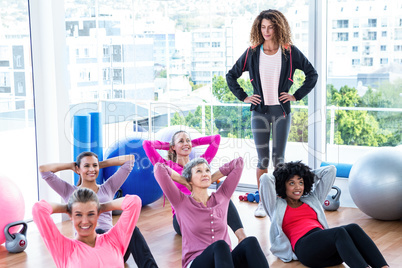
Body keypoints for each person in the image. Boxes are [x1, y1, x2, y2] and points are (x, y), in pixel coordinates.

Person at [226, 9, 318, 218]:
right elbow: (231, 75)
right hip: (259, 112)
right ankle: (263, 202)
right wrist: (244, 96)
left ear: (278, 27)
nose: (266, 31)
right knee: (262, 160)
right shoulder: (252, 52)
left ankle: (281, 201)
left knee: (279, 159)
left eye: (270, 27)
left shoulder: (289, 52)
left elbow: (312, 74)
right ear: (259, 29)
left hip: (281, 112)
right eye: (263, 27)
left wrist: (296, 95)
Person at [39, 152, 158, 268]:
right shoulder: (68, 191)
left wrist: (99, 207)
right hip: (86, 250)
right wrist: (71, 166)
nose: (91, 169)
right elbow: (44, 170)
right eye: (86, 166)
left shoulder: (108, 187)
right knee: (99, 231)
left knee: (133, 230)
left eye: (94, 166)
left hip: (114, 245)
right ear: (77, 169)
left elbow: (129, 160)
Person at [259, 161, 389, 267]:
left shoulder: (313, 199)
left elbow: (330, 170)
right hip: (305, 249)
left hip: (328, 249)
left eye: (301, 182)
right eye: (291, 183)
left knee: (353, 228)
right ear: (282, 185)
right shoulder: (275, 205)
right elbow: (265, 179)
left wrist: (306, 175)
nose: (298, 187)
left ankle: (384, 267)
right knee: (339, 232)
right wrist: (283, 175)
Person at [154, 157, 269, 268]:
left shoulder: (222, 196)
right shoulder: (181, 202)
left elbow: (238, 163)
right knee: (220, 245)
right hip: (197, 261)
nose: (204, 173)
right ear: (190, 179)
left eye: (207, 170)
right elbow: (159, 168)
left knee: (250, 242)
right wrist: (184, 181)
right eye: (199, 171)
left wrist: (211, 178)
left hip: (224, 261)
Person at [143, 131, 246, 242]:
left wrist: (189, 144)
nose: (186, 143)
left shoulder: (199, 164)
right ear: (173, 147)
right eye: (181, 141)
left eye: (188, 140)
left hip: (202, 207)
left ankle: (242, 237)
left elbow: (216, 139)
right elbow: (147, 144)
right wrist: (170, 145)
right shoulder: (167, 166)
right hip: (183, 216)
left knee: (224, 200)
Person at [32, 188, 141, 268]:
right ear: (71, 216)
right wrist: (68, 208)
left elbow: (134, 202)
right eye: (78, 214)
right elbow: (39, 209)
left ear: (98, 214)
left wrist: (101, 207)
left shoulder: (114, 240)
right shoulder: (64, 249)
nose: (85, 221)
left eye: (90, 214)